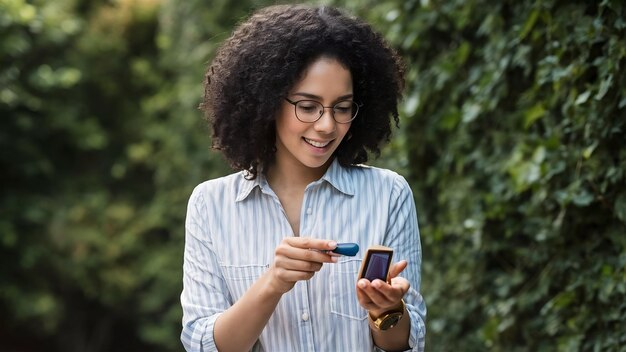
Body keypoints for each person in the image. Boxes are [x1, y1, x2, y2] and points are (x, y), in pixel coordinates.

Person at [180, 4, 426, 351]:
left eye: (342, 107)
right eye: (308, 106)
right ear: (266, 101)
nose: (327, 125)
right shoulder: (211, 206)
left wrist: (387, 311)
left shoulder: (389, 194)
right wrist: (273, 282)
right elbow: (203, 345)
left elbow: (407, 345)